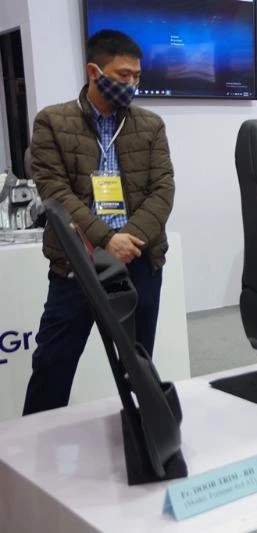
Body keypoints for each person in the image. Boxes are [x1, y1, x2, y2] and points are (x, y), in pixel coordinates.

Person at [22, 29, 175, 415]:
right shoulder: (52, 122)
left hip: (138, 258)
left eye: (136, 76)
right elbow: (55, 192)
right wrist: (107, 240)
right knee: (53, 362)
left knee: (138, 363)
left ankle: (144, 434)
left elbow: (163, 189)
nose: (132, 83)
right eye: (123, 75)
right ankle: (36, 442)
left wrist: (129, 238)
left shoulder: (150, 125)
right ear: (94, 71)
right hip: (77, 260)